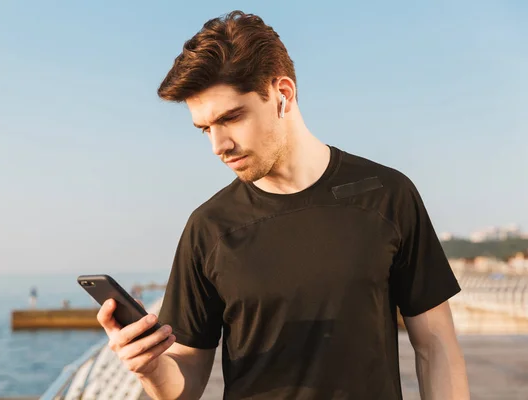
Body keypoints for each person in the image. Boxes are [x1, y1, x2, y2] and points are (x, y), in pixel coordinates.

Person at [97, 10, 470, 400]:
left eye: (231, 118)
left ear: (282, 94)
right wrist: (151, 367)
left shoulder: (387, 195)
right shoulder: (209, 226)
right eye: (205, 128)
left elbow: (436, 346)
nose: (218, 145)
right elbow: (185, 381)